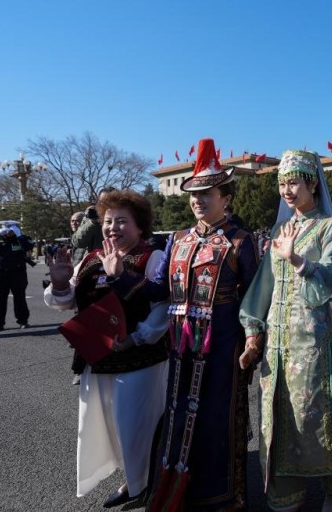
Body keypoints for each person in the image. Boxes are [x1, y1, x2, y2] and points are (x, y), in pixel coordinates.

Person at [110, 139, 259, 511]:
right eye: (193, 194)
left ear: (226, 198)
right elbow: (158, 290)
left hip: (223, 347)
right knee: (178, 414)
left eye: (206, 194)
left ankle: (221, 497)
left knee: (216, 419)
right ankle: (176, 491)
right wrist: (119, 276)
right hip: (180, 349)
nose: (198, 200)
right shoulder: (177, 241)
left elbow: (254, 299)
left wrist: (253, 340)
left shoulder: (240, 242)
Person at [238, 150, 332, 512]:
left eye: (294, 182)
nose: (287, 190)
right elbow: (265, 285)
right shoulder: (279, 229)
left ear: (312, 184)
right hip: (277, 338)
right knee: (276, 413)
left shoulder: (329, 227)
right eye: (282, 183)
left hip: (309, 339)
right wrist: (253, 331)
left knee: (312, 412)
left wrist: (297, 259)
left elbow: (329, 278)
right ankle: (286, 491)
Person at [44, 189, 169, 507]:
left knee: (136, 426)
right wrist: (60, 283)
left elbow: (164, 308)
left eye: (122, 221)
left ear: (140, 226)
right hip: (96, 358)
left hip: (140, 360)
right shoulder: (90, 258)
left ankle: (143, 485)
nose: (113, 228)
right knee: (106, 427)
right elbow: (67, 302)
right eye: (108, 221)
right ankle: (133, 479)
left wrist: (137, 337)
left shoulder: (152, 257)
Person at [0, 221, 35, 331]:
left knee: (20, 297)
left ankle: (23, 321)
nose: (8, 232)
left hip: (17, 272)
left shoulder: (21, 238)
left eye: (11, 229)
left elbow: (28, 246)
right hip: (0, 272)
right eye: (6, 229)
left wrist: (19, 235)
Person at [71, 188, 114, 264]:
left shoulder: (122, 217)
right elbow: (78, 242)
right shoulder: (90, 216)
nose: (105, 206)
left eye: (109, 202)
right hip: (93, 264)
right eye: (102, 202)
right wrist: (92, 222)